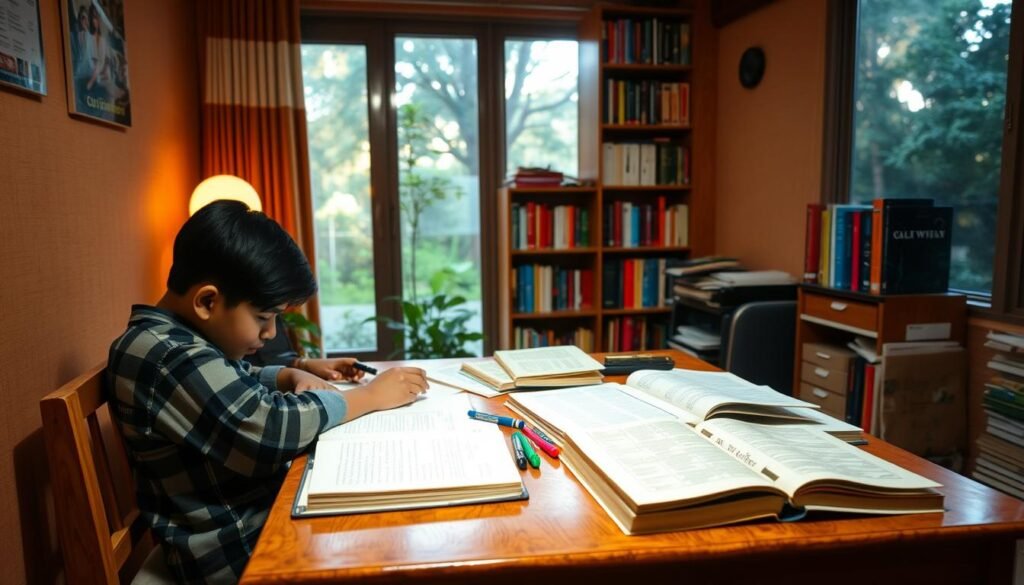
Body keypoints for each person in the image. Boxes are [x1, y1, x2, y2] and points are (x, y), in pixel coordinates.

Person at [107, 200, 428, 585]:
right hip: (239, 551)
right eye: (263, 317)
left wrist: (294, 373)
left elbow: (235, 379)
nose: (271, 333)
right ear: (208, 301)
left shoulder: (174, 340)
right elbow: (267, 430)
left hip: (257, 524)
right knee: (405, 538)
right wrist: (369, 398)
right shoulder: (164, 354)